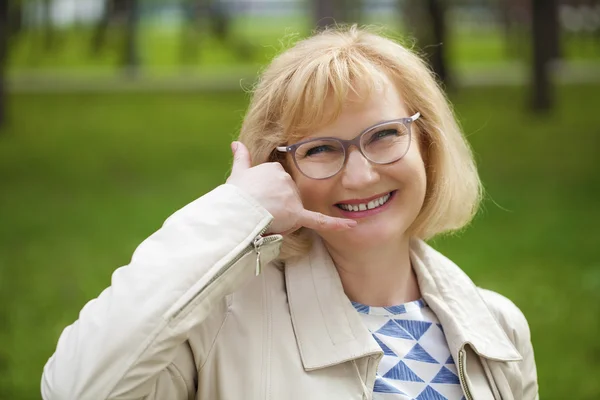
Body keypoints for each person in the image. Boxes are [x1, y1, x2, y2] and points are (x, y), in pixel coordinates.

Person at [41, 26, 538, 400]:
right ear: (278, 172)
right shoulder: (214, 329)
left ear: (426, 143)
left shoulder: (496, 326)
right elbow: (75, 389)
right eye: (321, 149)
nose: (360, 176)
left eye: (385, 134)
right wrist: (236, 213)